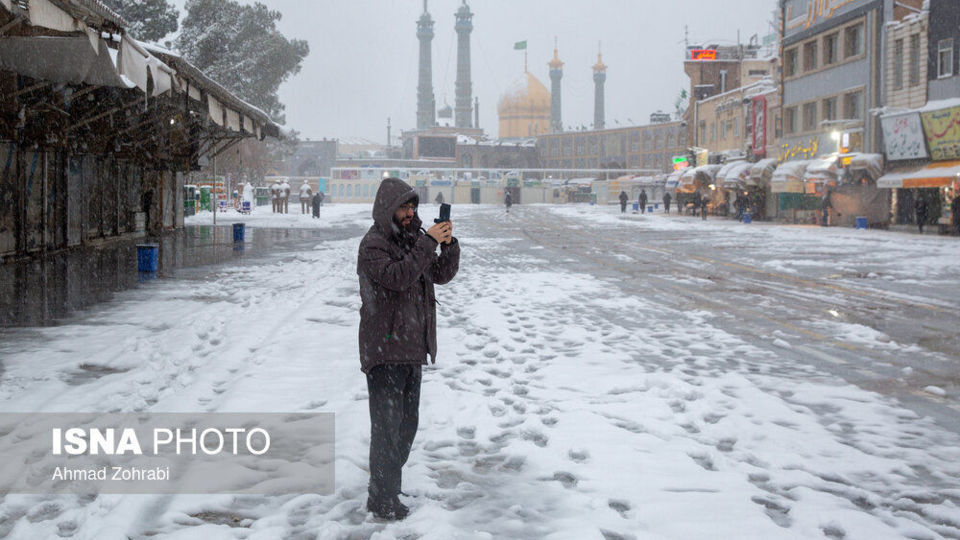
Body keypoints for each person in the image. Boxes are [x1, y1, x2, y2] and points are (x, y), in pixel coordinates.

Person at [357, 177, 460, 520]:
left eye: (412, 207)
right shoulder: (374, 244)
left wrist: (446, 243)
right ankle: (382, 498)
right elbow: (399, 277)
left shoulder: (415, 240)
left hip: (412, 346)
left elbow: (441, 274)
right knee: (386, 427)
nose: (409, 213)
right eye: (403, 207)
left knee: (406, 426)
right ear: (387, 209)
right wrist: (426, 243)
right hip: (385, 348)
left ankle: (386, 485)